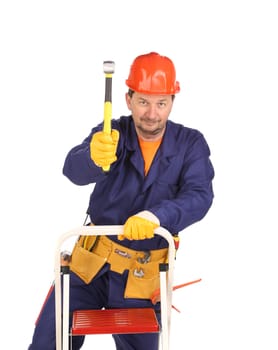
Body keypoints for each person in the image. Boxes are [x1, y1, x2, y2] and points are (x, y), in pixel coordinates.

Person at [28, 52, 214, 350]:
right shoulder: (110, 133)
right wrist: (91, 157)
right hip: (89, 267)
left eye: (161, 103)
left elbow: (200, 196)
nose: (152, 113)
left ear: (172, 102)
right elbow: (71, 169)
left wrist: (156, 217)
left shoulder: (190, 144)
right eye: (143, 102)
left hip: (142, 278)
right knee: (49, 340)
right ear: (128, 99)